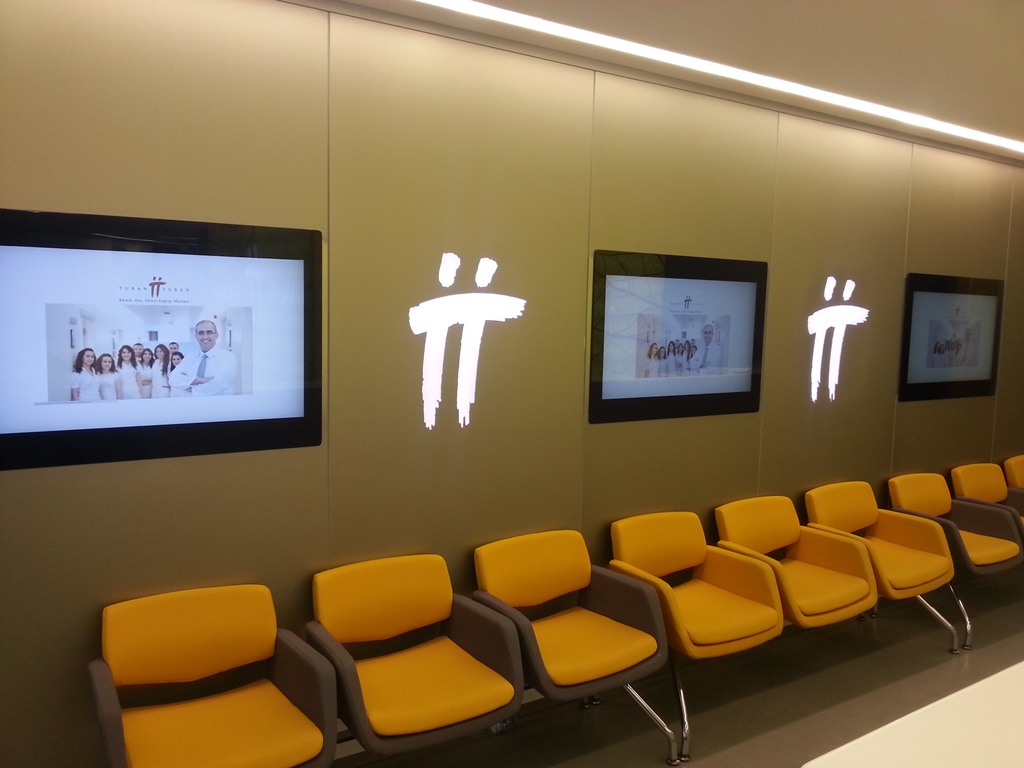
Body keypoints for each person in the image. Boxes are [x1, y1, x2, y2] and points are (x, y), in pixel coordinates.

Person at [168, 320, 237, 396]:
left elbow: (221, 383)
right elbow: (172, 378)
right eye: (201, 333)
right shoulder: (189, 357)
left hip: (218, 403)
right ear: (196, 336)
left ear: (216, 335)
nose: (205, 337)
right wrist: (198, 380)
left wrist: (192, 389)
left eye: (209, 332)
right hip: (192, 403)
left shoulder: (227, 357)